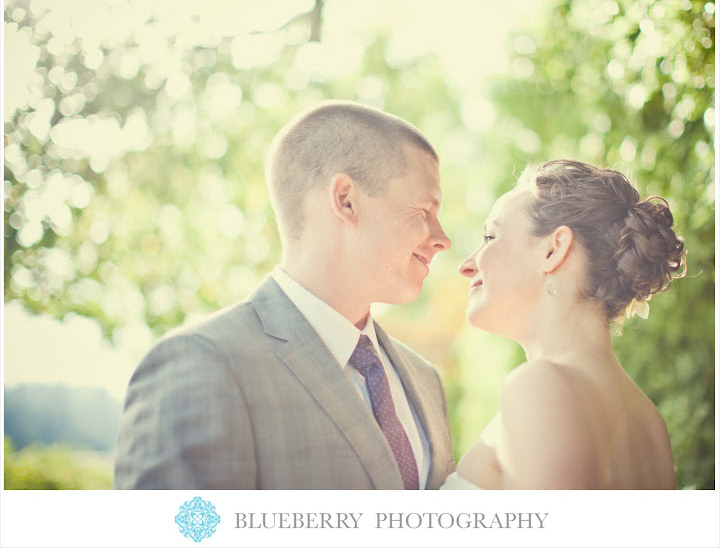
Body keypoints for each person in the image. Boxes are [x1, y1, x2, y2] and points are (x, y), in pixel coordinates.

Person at [114, 100, 455, 489]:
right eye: (424, 210)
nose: (442, 239)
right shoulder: (203, 364)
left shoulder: (424, 380)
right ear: (346, 200)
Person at [443, 159, 686, 490]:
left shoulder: (539, 386)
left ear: (553, 250)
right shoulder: (649, 422)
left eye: (490, 236)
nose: (467, 265)